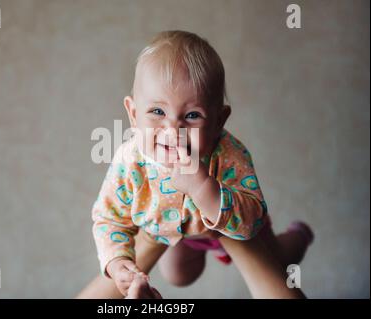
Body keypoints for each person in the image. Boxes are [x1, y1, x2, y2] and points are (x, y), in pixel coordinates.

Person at [88, 30, 313, 298]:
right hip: (178, 234)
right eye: (157, 112)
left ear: (219, 121)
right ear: (134, 115)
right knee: (180, 275)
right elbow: (109, 218)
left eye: (192, 115)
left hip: (237, 229)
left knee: (280, 260)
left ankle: (299, 236)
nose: (173, 129)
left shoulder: (228, 153)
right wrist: (116, 263)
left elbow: (251, 216)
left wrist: (203, 187)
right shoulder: (130, 162)